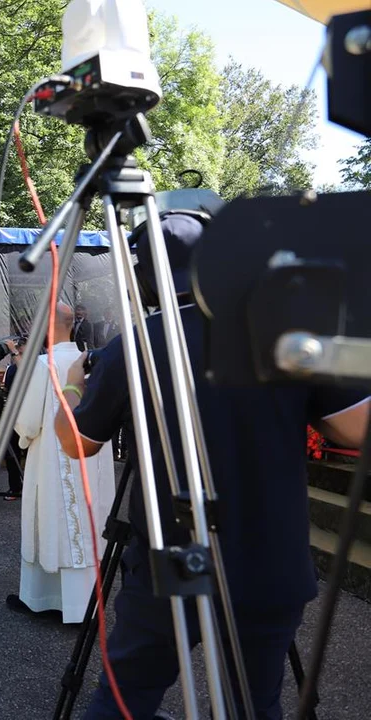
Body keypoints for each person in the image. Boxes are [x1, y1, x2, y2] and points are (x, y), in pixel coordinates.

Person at [55, 213, 371, 720]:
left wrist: (74, 382)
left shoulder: (134, 344)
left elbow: (76, 443)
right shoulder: (287, 336)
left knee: (125, 697)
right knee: (255, 704)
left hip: (170, 559)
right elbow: (356, 428)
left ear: (144, 278)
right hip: (268, 565)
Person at [7, 302, 116, 624]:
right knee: (86, 520)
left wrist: (25, 437)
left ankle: (40, 599)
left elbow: (26, 424)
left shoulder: (43, 365)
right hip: (90, 459)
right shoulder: (96, 361)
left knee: (53, 519)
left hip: (52, 463)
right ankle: (84, 604)